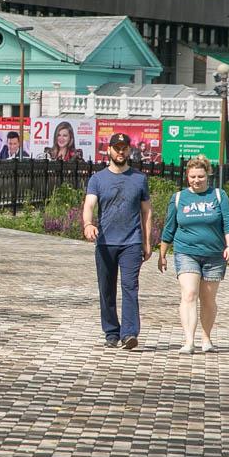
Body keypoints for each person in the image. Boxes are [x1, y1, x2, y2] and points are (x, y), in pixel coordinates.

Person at [157, 155, 229, 354]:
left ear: (207, 175)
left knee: (208, 299)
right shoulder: (178, 198)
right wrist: (162, 254)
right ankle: (189, 341)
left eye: (200, 176)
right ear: (187, 176)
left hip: (214, 254)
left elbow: (228, 223)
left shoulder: (219, 196)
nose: (196, 180)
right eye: (192, 176)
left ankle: (206, 338)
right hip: (186, 252)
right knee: (189, 294)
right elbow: (169, 228)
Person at [82, 132, 152, 350]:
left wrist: (147, 242)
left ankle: (129, 333)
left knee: (130, 286)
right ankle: (111, 332)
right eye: (117, 148)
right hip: (105, 243)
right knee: (107, 289)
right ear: (109, 150)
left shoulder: (139, 179)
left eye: (124, 148)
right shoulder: (98, 179)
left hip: (131, 242)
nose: (120, 152)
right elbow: (89, 205)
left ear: (129, 150)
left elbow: (147, 212)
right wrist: (88, 224)